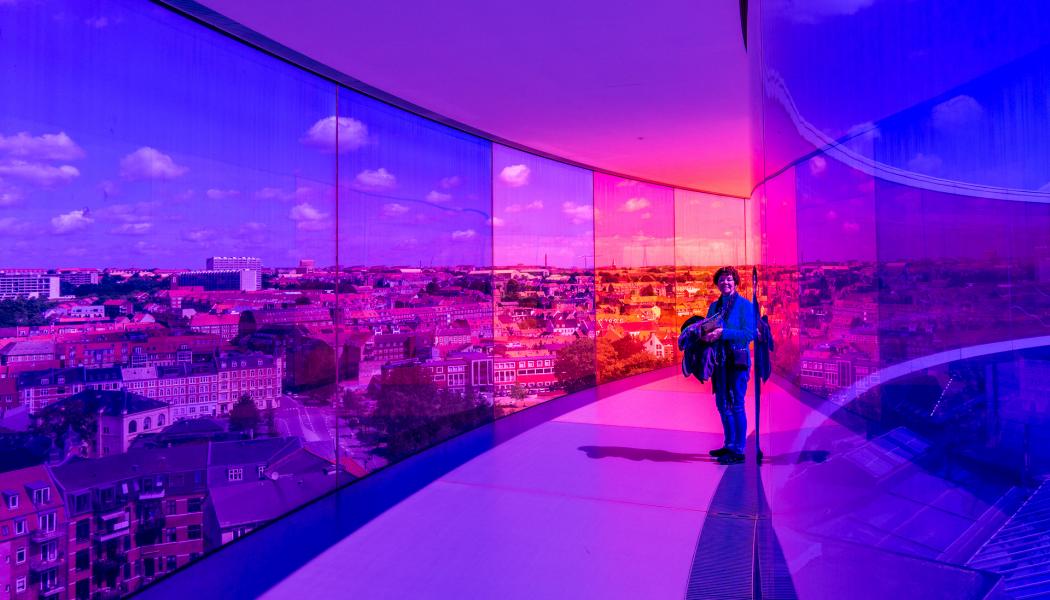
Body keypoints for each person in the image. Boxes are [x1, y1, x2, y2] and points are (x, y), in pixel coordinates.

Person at [703, 266, 755, 465]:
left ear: (735, 282)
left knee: (737, 404)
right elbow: (708, 328)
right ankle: (729, 444)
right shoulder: (714, 306)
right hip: (720, 361)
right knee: (722, 404)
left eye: (729, 279)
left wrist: (722, 333)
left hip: (737, 361)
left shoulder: (745, 306)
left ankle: (739, 449)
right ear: (717, 284)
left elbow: (748, 334)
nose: (725, 282)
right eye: (722, 280)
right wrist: (705, 334)